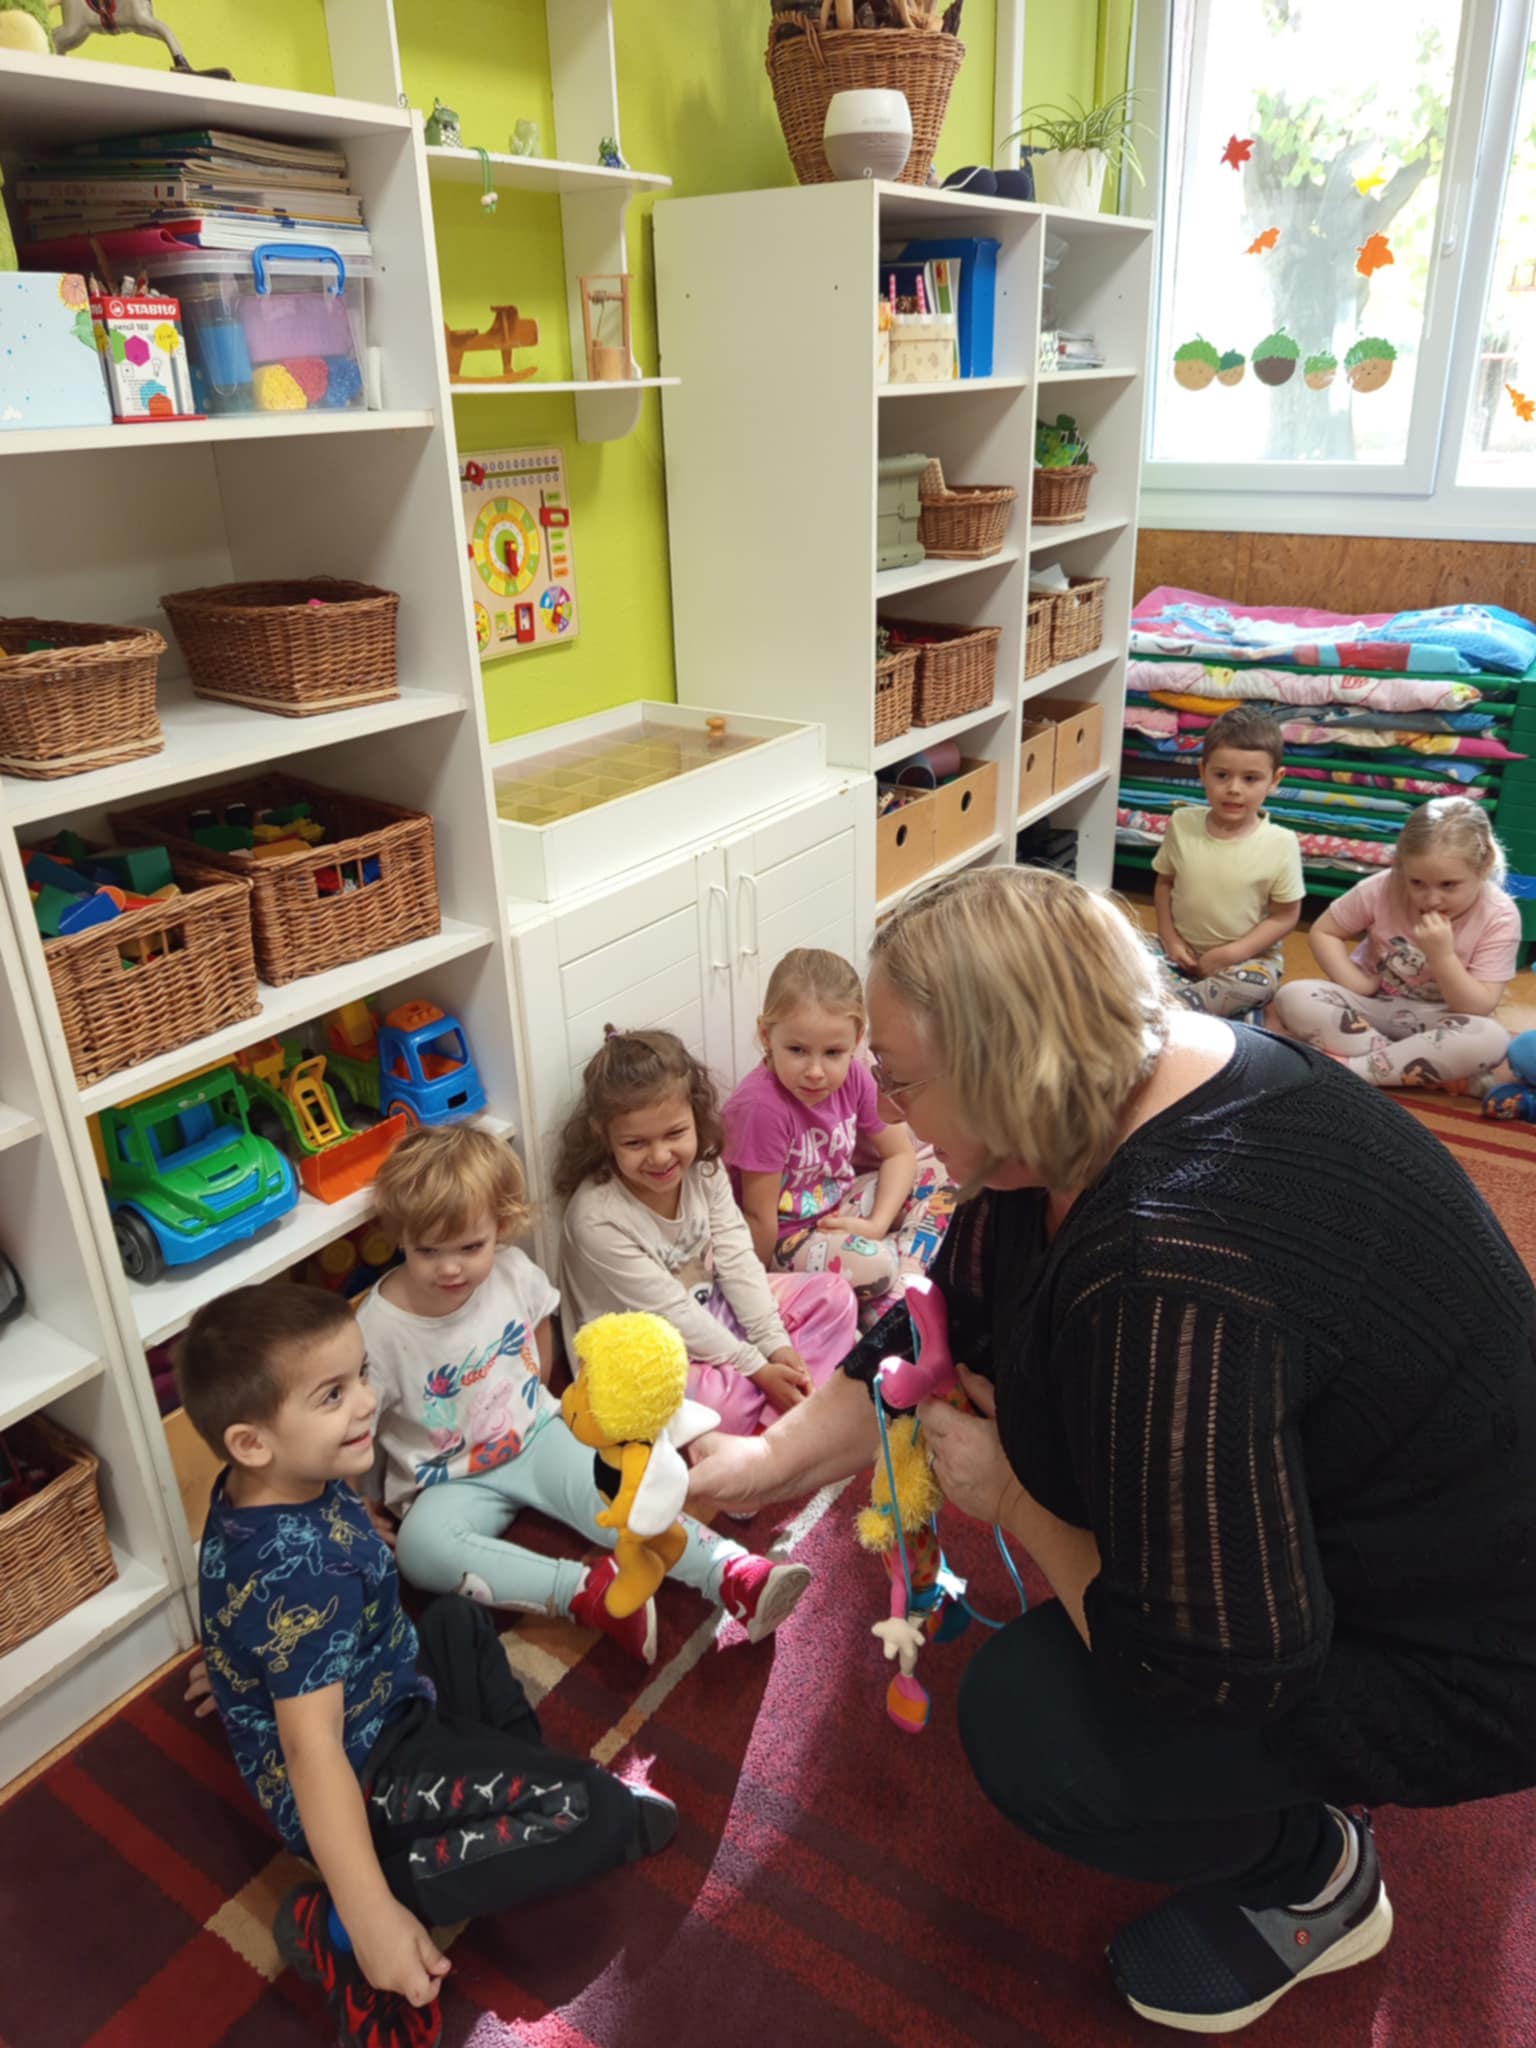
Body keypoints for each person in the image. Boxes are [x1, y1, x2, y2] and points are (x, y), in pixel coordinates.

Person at [687, 865, 1536, 2036]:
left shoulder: (1167, 1259)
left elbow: (1211, 1665)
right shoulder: (1122, 1086)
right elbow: (938, 1319)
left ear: (1004, 1069)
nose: (890, 1105)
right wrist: (759, 1464)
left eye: (904, 1076)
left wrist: (1015, 1498)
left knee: (1037, 1727)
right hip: (1385, 1521)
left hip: (1471, 1658)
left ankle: (1314, 1869)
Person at [180, 1281, 680, 2048]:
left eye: (360, 1376)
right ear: (252, 1442)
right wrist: (374, 1916)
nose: (366, 1402)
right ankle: (337, 1924)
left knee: (455, 1620)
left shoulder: (265, 1484)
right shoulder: (297, 1576)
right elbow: (313, 1751)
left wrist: (241, 1667)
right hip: (365, 1774)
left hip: (390, 1692)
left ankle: (516, 1802)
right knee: (595, 1813)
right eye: (332, 1395)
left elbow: (262, 1602)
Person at [356, 1124, 810, 1666]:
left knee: (620, 1491)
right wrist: (357, 1501)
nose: (450, 1267)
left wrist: (544, 1403)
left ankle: (732, 1573)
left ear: (500, 1226)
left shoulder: (512, 1272)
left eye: (471, 1247)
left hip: (535, 1436)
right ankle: (587, 1594)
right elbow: (355, 1422)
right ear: (399, 1237)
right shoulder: (376, 1330)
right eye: (427, 1250)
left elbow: (540, 1329)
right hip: (446, 1480)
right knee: (419, 1550)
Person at [556, 1028, 857, 1437]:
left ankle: (779, 1417)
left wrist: (776, 1345)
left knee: (834, 1296)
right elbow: (670, 1312)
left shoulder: (705, 1169)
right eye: (635, 1143)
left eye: (675, 1134)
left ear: (696, 1118)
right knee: (721, 1406)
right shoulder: (596, 1217)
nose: (660, 1156)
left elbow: (737, 1258)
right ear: (603, 1135)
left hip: (711, 1312)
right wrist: (756, 1367)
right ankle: (774, 1424)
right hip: (644, 1356)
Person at [723, 947, 947, 1307]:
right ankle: (902, 1289)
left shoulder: (855, 1075)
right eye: (797, 1050)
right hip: (791, 1238)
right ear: (766, 1035)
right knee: (876, 1265)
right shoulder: (761, 1108)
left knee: (950, 1181)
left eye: (832, 1053)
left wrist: (876, 1224)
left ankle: (900, 1282)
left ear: (857, 1040)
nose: (815, 1072)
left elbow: (899, 1153)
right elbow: (760, 1220)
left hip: (843, 1206)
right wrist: (756, 1302)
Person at [1272, 794, 1516, 1087]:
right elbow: (1325, 931)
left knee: (1491, 1038)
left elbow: (1479, 1006)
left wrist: (1442, 957)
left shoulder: (1499, 915)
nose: (1432, 899)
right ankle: (1409, 1066)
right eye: (1417, 883)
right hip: (1370, 1007)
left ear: (1485, 865)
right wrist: (1355, 982)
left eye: (1449, 885)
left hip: (1443, 1019)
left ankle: (1354, 1070)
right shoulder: (1384, 886)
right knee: (1293, 996)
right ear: (1401, 867)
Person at [1152, 705, 1305, 1017]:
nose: (1234, 789)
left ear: (1275, 780)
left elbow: (1285, 916)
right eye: (1221, 775)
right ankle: (1186, 1003)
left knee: (1256, 984)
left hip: (1245, 963)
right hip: (1178, 954)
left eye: (1250, 779)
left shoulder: (1281, 843)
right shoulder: (1182, 823)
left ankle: (1168, 1007)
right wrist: (1170, 939)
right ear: (1202, 771)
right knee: (1120, 949)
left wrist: (1232, 953)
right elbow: (1164, 883)